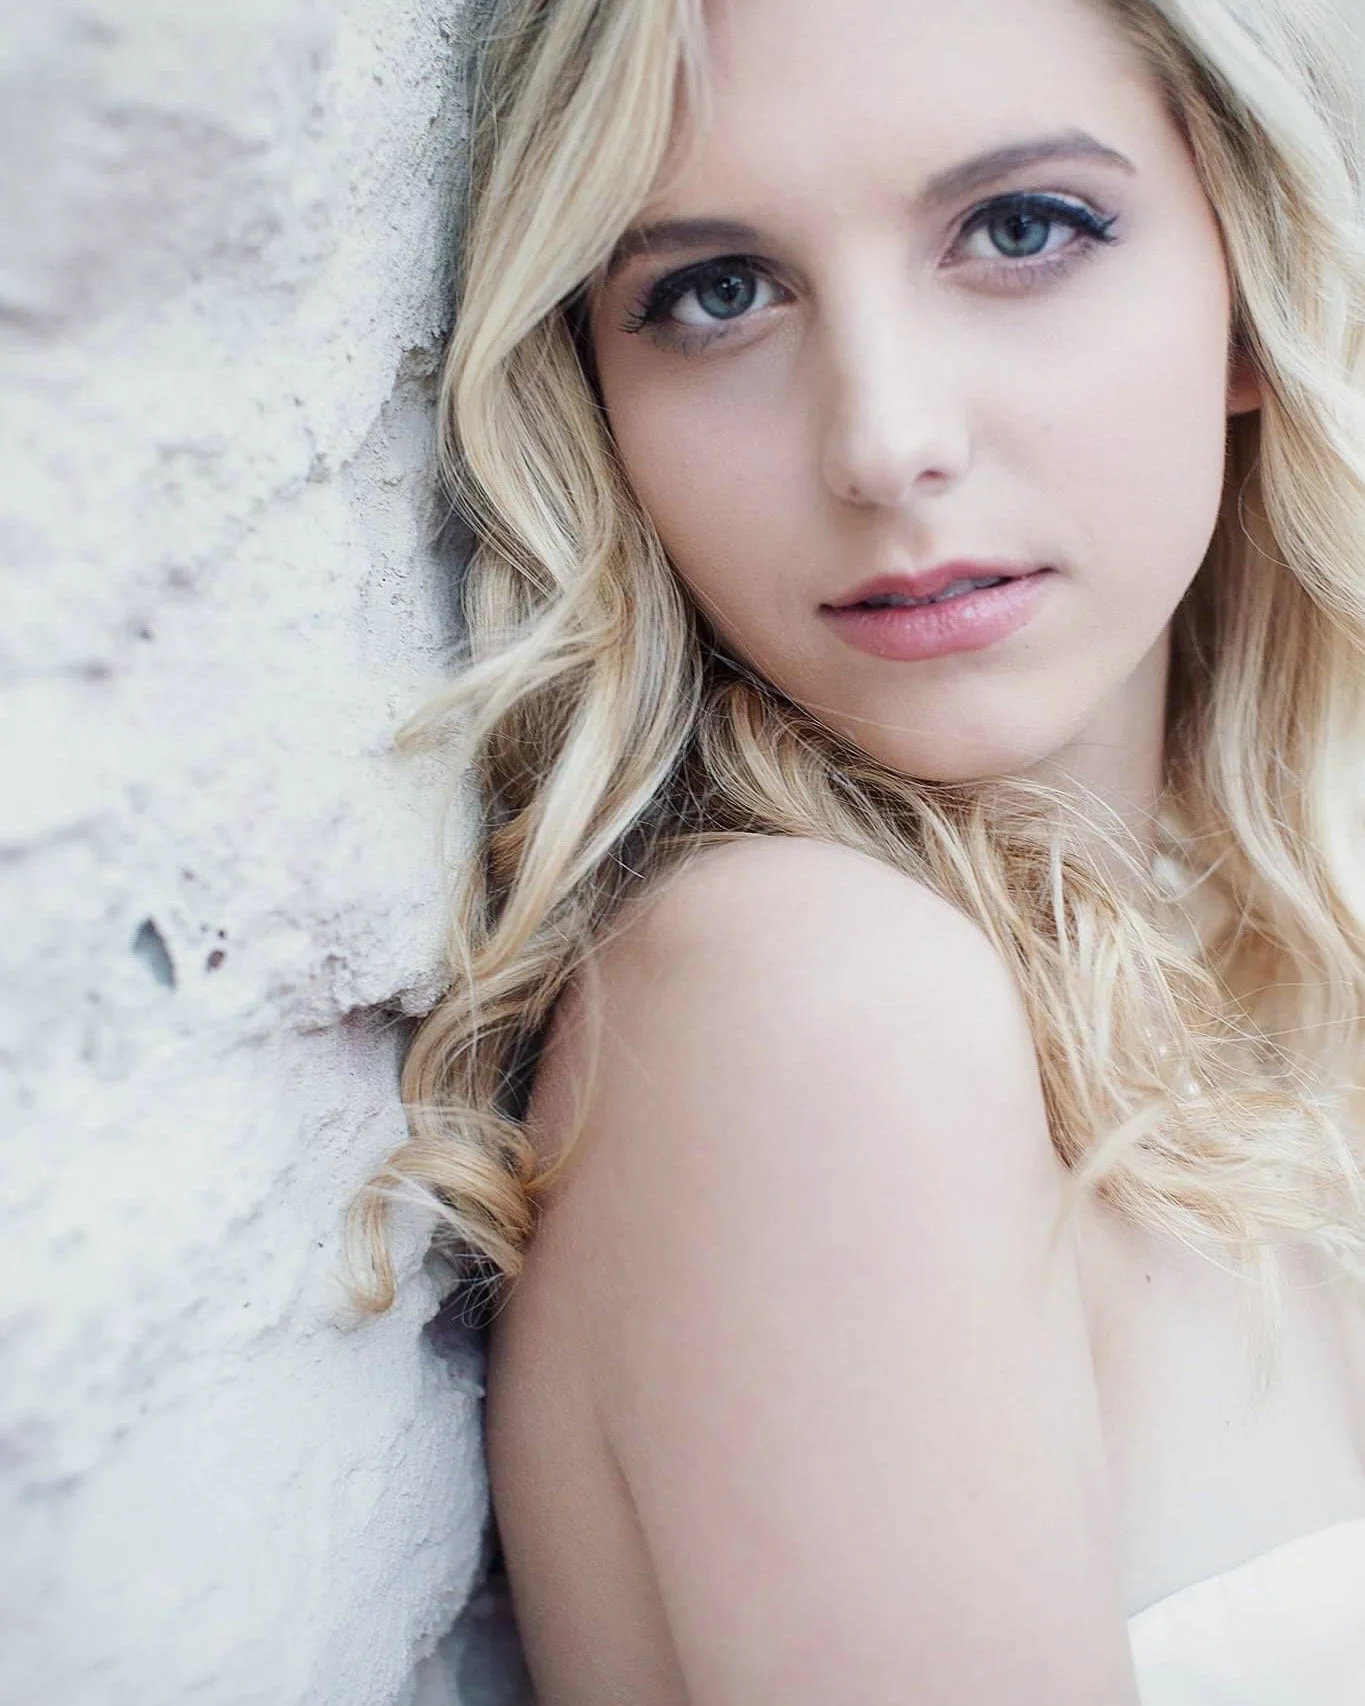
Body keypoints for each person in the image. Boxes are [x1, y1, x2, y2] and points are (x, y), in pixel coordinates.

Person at [350, 0, 1365, 1698]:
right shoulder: (809, 1004)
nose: (886, 442)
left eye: (1022, 229)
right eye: (717, 292)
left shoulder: (1264, 1009)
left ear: (1250, 290)